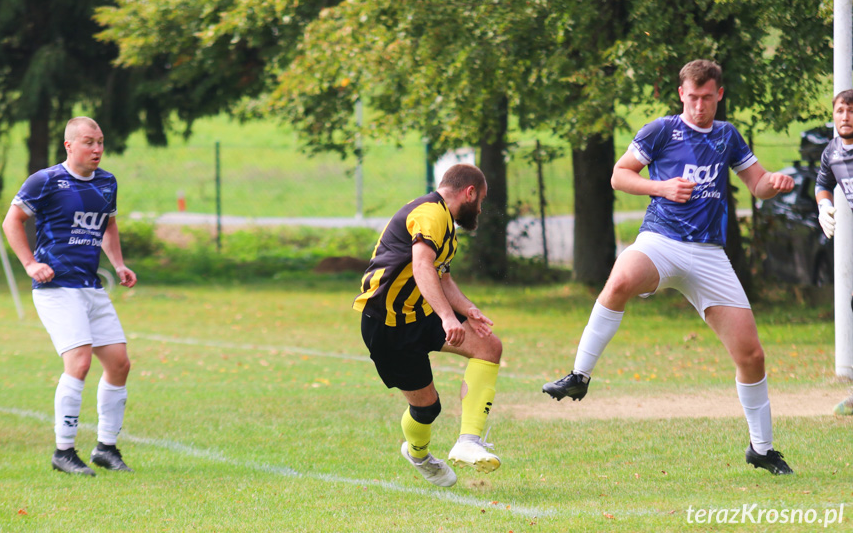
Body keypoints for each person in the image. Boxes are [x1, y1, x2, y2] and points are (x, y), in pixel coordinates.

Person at [542, 60, 796, 475]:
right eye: (692, 98)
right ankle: (579, 375)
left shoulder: (727, 135)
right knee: (621, 278)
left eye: (707, 98)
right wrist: (660, 187)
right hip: (661, 242)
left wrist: (775, 184)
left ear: (719, 95)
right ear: (681, 94)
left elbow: (758, 184)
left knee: (751, 355)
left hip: (710, 254)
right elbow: (619, 176)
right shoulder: (661, 130)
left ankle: (761, 448)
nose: (699, 106)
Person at [353, 163, 502, 487]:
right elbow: (422, 266)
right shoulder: (429, 213)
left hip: (420, 315)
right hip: (386, 323)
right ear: (470, 192)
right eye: (482, 200)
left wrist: (467, 309)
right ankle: (418, 453)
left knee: (488, 346)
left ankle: (468, 441)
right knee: (427, 408)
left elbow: (441, 276)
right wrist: (449, 317)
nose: (480, 208)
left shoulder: (446, 225)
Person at [2, 117, 137, 476]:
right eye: (89, 142)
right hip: (56, 288)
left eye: (101, 142)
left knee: (119, 363)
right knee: (78, 362)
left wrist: (118, 264)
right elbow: (11, 221)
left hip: (90, 287)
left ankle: (105, 448)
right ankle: (63, 452)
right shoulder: (45, 181)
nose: (97, 149)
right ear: (69, 145)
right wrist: (30, 264)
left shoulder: (107, 182)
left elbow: (107, 224)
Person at [813, 88, 853, 417]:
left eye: (851, 111)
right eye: (841, 110)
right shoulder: (833, 151)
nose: (846, 116)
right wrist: (824, 206)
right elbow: (822, 182)